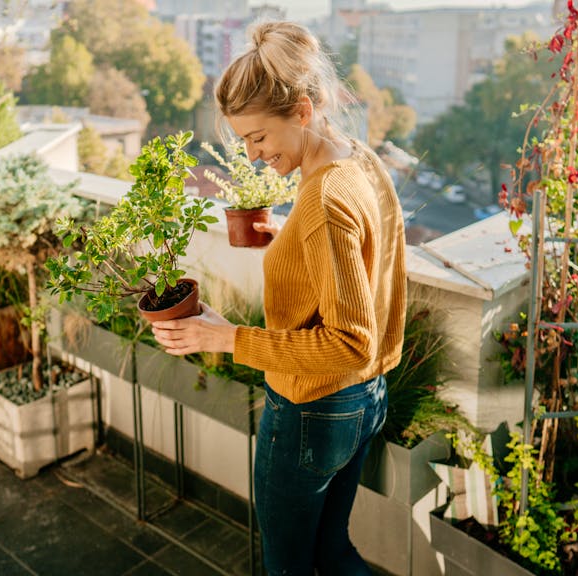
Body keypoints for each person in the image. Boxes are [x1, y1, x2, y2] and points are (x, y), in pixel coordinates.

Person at [150, 20, 407, 576]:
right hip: (365, 401)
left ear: (303, 112)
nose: (251, 154)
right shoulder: (356, 159)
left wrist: (222, 337)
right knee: (331, 552)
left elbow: (348, 343)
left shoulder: (323, 201)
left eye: (259, 137)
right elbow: (366, 250)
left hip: (313, 409)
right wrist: (287, 236)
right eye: (243, 141)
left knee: (288, 566)